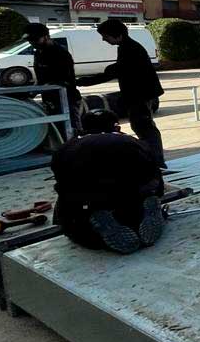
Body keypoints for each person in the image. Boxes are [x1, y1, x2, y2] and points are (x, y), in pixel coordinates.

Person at [51, 110, 165, 254]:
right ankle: (143, 213)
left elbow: (62, 187)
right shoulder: (133, 142)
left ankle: (94, 227)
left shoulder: (65, 148)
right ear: (117, 127)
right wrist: (156, 193)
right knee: (138, 196)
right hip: (130, 197)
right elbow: (155, 175)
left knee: (73, 221)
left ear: (83, 129)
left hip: (88, 201)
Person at [77, 20, 165, 166]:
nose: (104, 39)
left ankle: (156, 161)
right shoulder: (126, 47)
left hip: (139, 96)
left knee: (145, 128)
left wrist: (85, 81)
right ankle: (154, 160)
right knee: (142, 127)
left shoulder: (130, 49)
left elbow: (118, 71)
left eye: (105, 36)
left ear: (116, 35)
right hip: (137, 95)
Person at [23, 23, 82, 138]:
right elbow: (41, 78)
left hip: (66, 99)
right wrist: (30, 94)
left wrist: (40, 88)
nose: (32, 43)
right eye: (30, 41)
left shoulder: (60, 53)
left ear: (46, 36)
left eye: (35, 40)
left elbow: (63, 80)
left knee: (71, 131)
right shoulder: (39, 52)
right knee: (57, 132)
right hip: (50, 99)